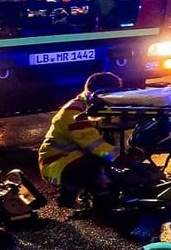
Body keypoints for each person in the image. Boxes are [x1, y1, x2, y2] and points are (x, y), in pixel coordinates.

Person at [39, 71, 125, 207]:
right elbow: (93, 144)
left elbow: (121, 131)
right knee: (96, 171)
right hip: (58, 162)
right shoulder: (73, 112)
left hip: (78, 157)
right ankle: (81, 196)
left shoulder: (105, 107)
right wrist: (119, 158)